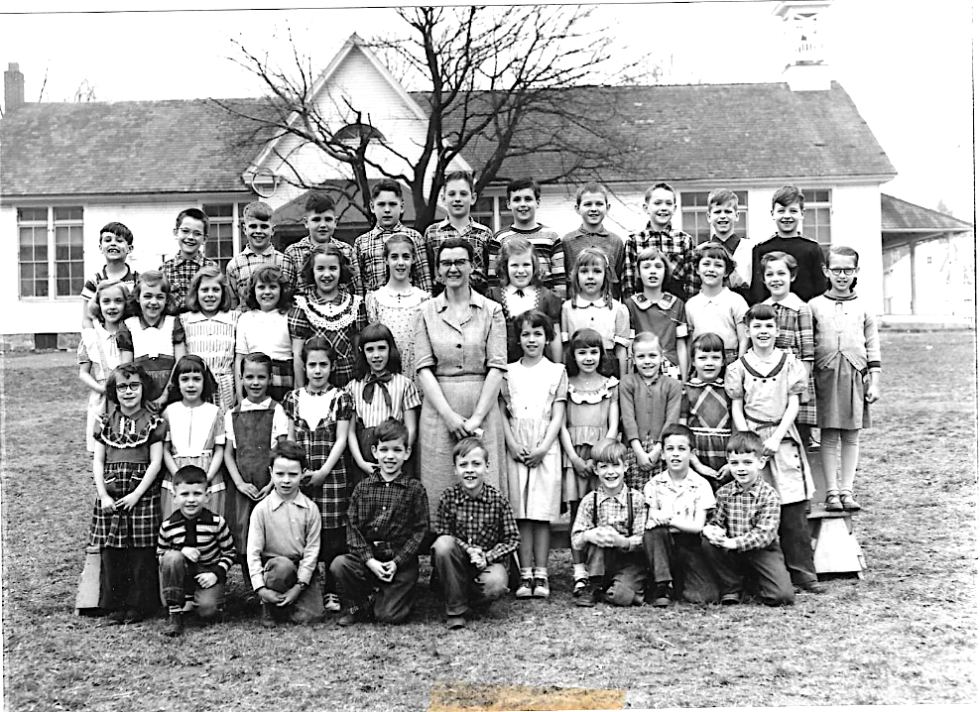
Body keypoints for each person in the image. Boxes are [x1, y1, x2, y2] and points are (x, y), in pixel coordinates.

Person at [725, 303, 823, 594]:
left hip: (783, 436)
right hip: (753, 437)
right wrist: (749, 440)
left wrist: (778, 436)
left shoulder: (788, 361)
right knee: (754, 503)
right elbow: (736, 405)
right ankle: (757, 574)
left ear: (777, 330)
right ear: (748, 330)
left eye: (768, 326)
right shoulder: (739, 366)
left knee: (792, 506)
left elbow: (793, 402)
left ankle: (803, 572)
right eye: (757, 326)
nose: (763, 331)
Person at [415, 237, 508, 521]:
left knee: (484, 479)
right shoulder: (425, 311)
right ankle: (445, 557)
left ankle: (491, 556)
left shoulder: (491, 311)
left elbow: (496, 366)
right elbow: (423, 368)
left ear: (472, 266)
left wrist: (476, 418)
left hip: (482, 406)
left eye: (459, 262)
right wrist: (450, 417)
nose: (452, 268)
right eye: (446, 263)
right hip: (439, 411)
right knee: (440, 482)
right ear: (437, 270)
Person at [88, 363, 167, 624]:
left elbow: (156, 462)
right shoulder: (105, 421)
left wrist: (137, 494)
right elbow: (98, 461)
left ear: (144, 388)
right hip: (111, 493)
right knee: (112, 551)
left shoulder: (153, 421)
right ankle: (114, 605)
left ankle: (139, 605)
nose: (128, 391)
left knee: (141, 553)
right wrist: (103, 495)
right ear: (114, 390)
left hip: (141, 493)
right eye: (122, 387)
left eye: (134, 386)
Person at [331, 419, 429, 626]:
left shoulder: (415, 489)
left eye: (397, 450)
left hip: (400, 563)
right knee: (341, 565)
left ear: (407, 453)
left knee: (389, 616)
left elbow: (420, 532)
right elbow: (353, 530)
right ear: (375, 452)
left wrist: (397, 562)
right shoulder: (362, 489)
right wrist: (370, 561)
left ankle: (393, 599)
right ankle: (359, 606)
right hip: (370, 561)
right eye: (384, 450)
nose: (390, 456)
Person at [499, 310, 568, 599]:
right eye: (526, 334)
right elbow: (502, 412)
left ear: (546, 337)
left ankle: (542, 573)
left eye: (537, 333)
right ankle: (524, 573)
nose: (531, 339)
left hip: (544, 446)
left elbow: (558, 413)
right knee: (521, 513)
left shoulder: (556, 371)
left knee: (541, 513)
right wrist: (512, 444)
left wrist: (543, 447)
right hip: (517, 444)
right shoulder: (508, 371)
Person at [281, 337, 353, 613]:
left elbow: (341, 440)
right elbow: (289, 439)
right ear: (305, 367)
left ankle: (332, 590)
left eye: (324, 365)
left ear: (332, 367)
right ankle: (306, 583)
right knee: (303, 528)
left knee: (333, 533)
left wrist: (324, 471)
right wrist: (296, 472)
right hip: (302, 474)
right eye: (313, 365)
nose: (318, 371)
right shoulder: (293, 398)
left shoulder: (341, 398)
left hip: (331, 475)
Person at [809, 245, 881, 512]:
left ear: (856, 272)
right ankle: (831, 492)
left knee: (851, 435)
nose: (841, 275)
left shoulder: (864, 307)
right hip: (825, 375)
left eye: (847, 270)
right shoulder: (814, 306)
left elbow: (872, 347)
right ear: (826, 271)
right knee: (829, 434)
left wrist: (874, 381)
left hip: (855, 376)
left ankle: (848, 490)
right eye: (836, 270)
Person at [432, 437, 520, 630]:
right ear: (455, 469)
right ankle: (456, 610)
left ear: (487, 467)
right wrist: (469, 550)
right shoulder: (448, 497)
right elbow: (442, 532)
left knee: (496, 582)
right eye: (463, 465)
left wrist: (487, 556)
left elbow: (513, 539)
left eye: (476, 464)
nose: (470, 470)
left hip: (485, 564)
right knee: (442, 544)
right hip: (457, 563)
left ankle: (468, 598)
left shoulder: (498, 500)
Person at [701, 431, 795, 606]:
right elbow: (717, 521)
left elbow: (764, 534)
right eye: (734, 463)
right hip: (731, 551)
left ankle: (754, 581)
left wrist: (734, 543)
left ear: (761, 462)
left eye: (747, 462)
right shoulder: (724, 493)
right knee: (707, 542)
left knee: (781, 596)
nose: (741, 468)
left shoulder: (769, 495)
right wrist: (713, 530)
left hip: (761, 550)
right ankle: (731, 587)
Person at [559, 328, 620, 596]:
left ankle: (601, 568)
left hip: (601, 458)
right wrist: (573, 457)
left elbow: (613, 425)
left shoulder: (610, 385)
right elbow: (560, 423)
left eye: (593, 352)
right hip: (574, 455)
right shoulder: (566, 383)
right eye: (582, 352)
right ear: (573, 354)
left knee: (602, 509)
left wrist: (600, 457)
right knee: (577, 512)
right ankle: (579, 570)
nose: (588, 357)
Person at [247, 440, 324, 626]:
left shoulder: (310, 509)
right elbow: (253, 552)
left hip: (300, 572)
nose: (286, 480)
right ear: (271, 473)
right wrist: (260, 588)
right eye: (280, 474)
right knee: (282, 567)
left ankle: (288, 604)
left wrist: (299, 587)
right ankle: (269, 603)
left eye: (293, 474)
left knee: (311, 616)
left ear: (303, 474)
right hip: (275, 570)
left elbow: (312, 552)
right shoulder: (261, 510)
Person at [224, 353, 289, 570]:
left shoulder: (277, 411)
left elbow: (282, 450)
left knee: (270, 532)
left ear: (270, 378)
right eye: (249, 377)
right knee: (243, 530)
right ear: (241, 378)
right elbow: (228, 455)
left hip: (268, 483)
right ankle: (250, 584)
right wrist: (240, 484)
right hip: (244, 485)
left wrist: (272, 484)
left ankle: (271, 580)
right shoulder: (232, 414)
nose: (255, 382)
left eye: (261, 377)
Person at [642, 424, 718, 606]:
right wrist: (663, 520)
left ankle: (679, 579)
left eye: (682, 449)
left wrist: (669, 519)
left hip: (690, 544)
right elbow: (651, 522)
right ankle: (663, 584)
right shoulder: (654, 485)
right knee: (654, 534)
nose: (675, 454)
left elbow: (697, 526)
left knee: (704, 596)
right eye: (670, 449)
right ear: (662, 454)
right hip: (663, 545)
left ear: (692, 453)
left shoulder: (701, 485)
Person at [157, 465, 236, 637]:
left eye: (197, 494)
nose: (191, 500)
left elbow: (230, 553)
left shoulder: (216, 523)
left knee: (208, 612)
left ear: (207, 496)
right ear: (175, 497)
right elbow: (161, 556)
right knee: (171, 558)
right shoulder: (168, 526)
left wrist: (215, 574)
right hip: (181, 575)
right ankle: (175, 612)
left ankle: (200, 600)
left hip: (208, 574)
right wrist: (180, 550)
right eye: (185, 494)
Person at [570, 438, 647, 608]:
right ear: (596, 470)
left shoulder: (636, 500)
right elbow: (576, 539)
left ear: (625, 467)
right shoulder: (590, 501)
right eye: (604, 467)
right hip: (599, 559)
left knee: (621, 597)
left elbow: (642, 540)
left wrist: (622, 541)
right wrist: (591, 535)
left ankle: (626, 588)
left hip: (628, 560)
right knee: (597, 537)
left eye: (615, 466)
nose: (610, 472)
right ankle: (595, 584)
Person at [346, 324, 421, 481]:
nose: (376, 355)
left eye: (381, 348)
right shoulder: (353, 387)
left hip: (395, 451)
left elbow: (411, 428)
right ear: (362, 352)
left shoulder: (404, 385)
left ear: (390, 349)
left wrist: (400, 455)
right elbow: (350, 431)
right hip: (365, 454)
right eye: (370, 350)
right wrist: (361, 462)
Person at [288, 243, 369, 390]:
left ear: (341, 270)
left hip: (350, 383)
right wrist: (300, 392)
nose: (327, 274)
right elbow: (298, 354)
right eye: (320, 269)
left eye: (332, 268)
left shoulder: (355, 304)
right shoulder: (303, 305)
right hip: (315, 384)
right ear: (312, 271)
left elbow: (359, 348)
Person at [760, 251, 817, 445]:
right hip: (768, 380)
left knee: (796, 438)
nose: (775, 279)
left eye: (781, 274)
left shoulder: (800, 308)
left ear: (792, 276)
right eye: (770, 274)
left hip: (793, 380)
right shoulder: (762, 309)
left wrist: (802, 388)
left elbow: (807, 353)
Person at [364, 233, 431, 385]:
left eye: (406, 257)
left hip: (417, 375)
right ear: (386, 260)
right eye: (394, 257)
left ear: (414, 259)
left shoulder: (425, 300)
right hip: (387, 376)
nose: (400, 263)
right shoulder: (375, 299)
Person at [620, 332, 683, 492]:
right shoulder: (627, 383)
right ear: (633, 359)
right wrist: (639, 452)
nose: (647, 361)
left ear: (662, 357)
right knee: (636, 497)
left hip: (661, 450)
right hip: (634, 449)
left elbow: (672, 420)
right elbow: (628, 419)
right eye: (641, 357)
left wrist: (658, 449)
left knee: (661, 497)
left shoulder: (673, 385)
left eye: (652, 355)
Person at [117, 270, 187, 408]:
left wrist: (166, 395)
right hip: (140, 395)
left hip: (171, 391)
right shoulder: (129, 325)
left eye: (159, 297)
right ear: (138, 297)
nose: (153, 302)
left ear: (166, 299)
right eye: (147, 296)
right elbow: (127, 368)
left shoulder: (173, 323)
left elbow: (181, 362)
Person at [486, 177, 565, 298]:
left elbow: (560, 281)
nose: (523, 204)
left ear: (537, 202)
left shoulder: (551, 236)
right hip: (510, 303)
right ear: (508, 204)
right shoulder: (500, 238)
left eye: (528, 199)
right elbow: (493, 281)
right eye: (517, 200)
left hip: (544, 304)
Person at [489, 235, 563, 363]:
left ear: (534, 266)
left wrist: (558, 368)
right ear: (505, 267)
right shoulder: (493, 297)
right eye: (514, 265)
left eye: (526, 265)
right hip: (505, 368)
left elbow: (555, 338)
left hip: (540, 366)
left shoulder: (548, 297)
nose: (521, 271)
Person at [748, 185, 827, 305]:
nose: (787, 216)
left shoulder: (812, 248)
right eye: (781, 211)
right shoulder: (761, 249)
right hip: (770, 314)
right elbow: (757, 291)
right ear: (772, 214)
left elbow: (821, 288)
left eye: (793, 211)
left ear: (802, 214)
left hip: (803, 313)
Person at [354, 179, 432, 297]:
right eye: (381, 204)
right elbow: (359, 287)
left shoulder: (415, 238)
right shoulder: (362, 243)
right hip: (375, 309)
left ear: (401, 207)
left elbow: (424, 282)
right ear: (372, 207)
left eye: (392, 204)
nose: (387, 210)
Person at [560, 247, 630, 378]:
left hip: (608, 372)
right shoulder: (567, 308)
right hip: (576, 372)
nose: (590, 276)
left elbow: (621, 351)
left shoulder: (618, 309)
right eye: (584, 271)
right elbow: (565, 349)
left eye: (597, 271)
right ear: (576, 275)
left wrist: (623, 382)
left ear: (606, 274)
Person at [424, 170, 494, 295]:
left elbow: (491, 275)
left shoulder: (484, 234)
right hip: (442, 301)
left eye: (463, 194)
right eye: (452, 194)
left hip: (477, 301)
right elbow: (427, 274)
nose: (457, 199)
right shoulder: (432, 233)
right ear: (443, 199)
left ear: (473, 198)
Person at [180, 266, 239, 411]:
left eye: (215, 290)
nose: (210, 295)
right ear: (196, 292)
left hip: (226, 386)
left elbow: (238, 358)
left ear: (223, 292)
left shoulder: (234, 318)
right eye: (205, 290)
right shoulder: (185, 320)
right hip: (195, 386)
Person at [624, 182, 696, 300]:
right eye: (657, 203)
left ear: (674, 208)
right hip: (642, 309)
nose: (663, 208)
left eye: (668, 203)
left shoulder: (684, 241)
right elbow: (628, 284)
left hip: (675, 309)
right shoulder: (634, 241)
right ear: (646, 208)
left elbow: (691, 282)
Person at [625, 246, 688, 381]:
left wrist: (684, 380)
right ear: (638, 272)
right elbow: (629, 347)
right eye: (646, 267)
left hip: (671, 371)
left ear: (665, 271)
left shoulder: (677, 304)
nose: (652, 271)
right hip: (641, 370)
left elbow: (681, 345)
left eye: (658, 267)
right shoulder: (630, 305)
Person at [78, 280, 127, 452]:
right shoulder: (91, 336)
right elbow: (83, 373)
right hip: (102, 399)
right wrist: (101, 389)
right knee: (102, 450)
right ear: (98, 304)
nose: (112, 307)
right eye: (106, 301)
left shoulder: (132, 331)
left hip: (129, 397)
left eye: (118, 301)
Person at [235, 265, 294, 402]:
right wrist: (239, 395)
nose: (267, 292)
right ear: (253, 291)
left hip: (283, 378)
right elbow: (240, 358)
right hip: (254, 378)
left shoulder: (290, 316)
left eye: (273, 287)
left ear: (282, 290)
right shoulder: (245, 319)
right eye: (261, 287)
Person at [681, 333, 733, 489]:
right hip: (697, 457)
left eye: (715, 358)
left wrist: (732, 463)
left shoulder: (730, 390)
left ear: (723, 361)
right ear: (693, 361)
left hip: (725, 457)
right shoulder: (687, 391)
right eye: (703, 358)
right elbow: (682, 432)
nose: (709, 363)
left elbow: (737, 430)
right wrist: (696, 464)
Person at [285, 191, 359, 297]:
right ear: (306, 223)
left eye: (328, 219)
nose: (323, 225)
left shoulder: (346, 250)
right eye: (316, 220)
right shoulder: (292, 252)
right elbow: (286, 292)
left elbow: (357, 289)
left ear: (335, 222)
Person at [685, 243, 749, 365]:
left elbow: (744, 340)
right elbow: (689, 341)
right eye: (706, 264)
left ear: (726, 272)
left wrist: (740, 367)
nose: (711, 269)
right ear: (697, 269)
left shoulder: (736, 301)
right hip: (701, 361)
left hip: (730, 360)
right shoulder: (691, 305)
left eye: (718, 265)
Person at [561, 182, 626, 299]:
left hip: (608, 308)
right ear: (577, 208)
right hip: (576, 308)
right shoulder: (567, 242)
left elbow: (619, 280)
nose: (594, 209)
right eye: (588, 204)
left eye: (599, 204)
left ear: (608, 208)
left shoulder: (616, 242)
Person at [226, 201, 296, 308]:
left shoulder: (285, 262)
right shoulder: (234, 265)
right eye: (253, 226)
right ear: (245, 229)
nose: (258, 231)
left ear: (272, 230)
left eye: (264, 227)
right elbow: (233, 304)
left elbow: (290, 300)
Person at [79, 221, 139, 328]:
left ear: (130, 248)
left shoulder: (138, 280)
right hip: (102, 338)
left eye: (119, 240)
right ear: (101, 247)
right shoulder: (94, 281)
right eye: (107, 240)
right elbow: (87, 318)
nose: (113, 243)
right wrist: (92, 340)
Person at [160, 208, 218, 314]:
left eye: (197, 233)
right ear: (176, 232)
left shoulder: (211, 267)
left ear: (204, 239)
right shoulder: (165, 269)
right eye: (185, 231)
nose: (190, 237)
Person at [698, 188, 753, 300]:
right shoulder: (700, 251)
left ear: (737, 215)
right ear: (709, 217)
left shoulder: (750, 249)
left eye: (728, 211)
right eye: (717, 212)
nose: (722, 216)